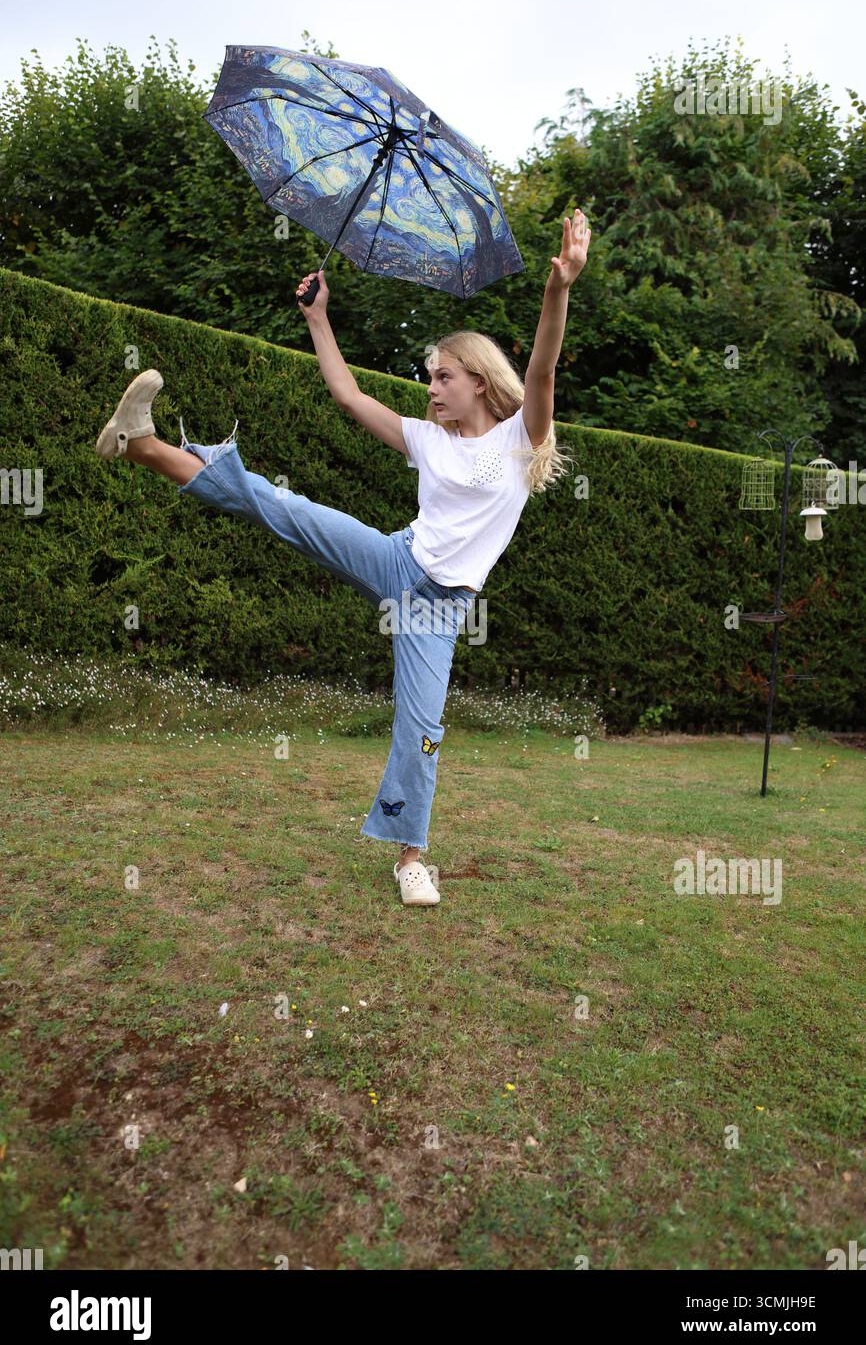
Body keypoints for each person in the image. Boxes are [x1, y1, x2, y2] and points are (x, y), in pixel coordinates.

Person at [95, 209, 592, 905]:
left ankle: (410, 859)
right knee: (286, 509)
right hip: (395, 560)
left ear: (478, 379)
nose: (431, 387)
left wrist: (558, 288)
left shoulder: (517, 440)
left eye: (443, 376)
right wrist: (318, 317)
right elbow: (347, 393)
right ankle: (142, 444)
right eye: (431, 378)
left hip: (438, 609)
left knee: (421, 728)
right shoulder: (428, 438)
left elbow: (541, 368)